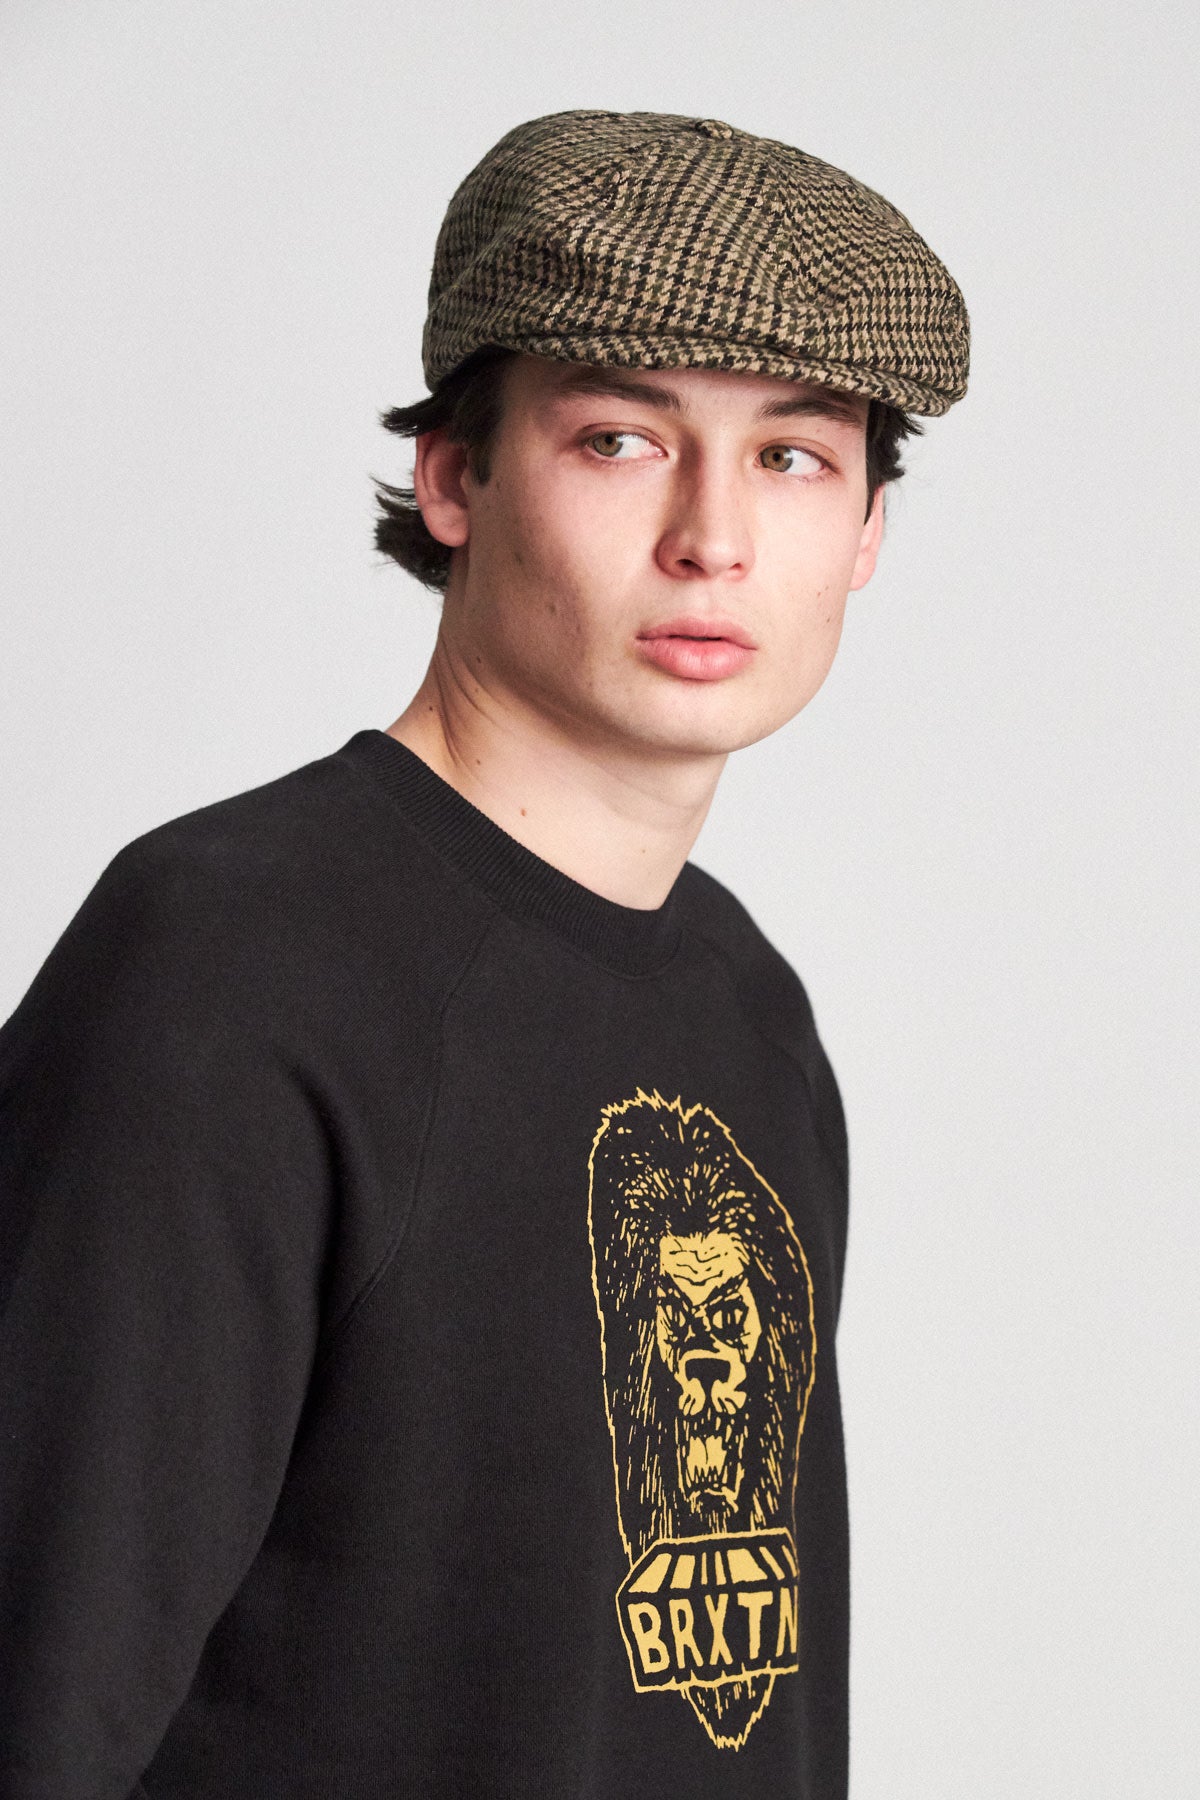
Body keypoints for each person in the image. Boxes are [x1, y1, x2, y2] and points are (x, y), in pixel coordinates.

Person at [0, 109, 968, 1799]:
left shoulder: (747, 1009)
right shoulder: (227, 966)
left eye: (795, 457)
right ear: (454, 475)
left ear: (869, 528)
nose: (713, 537)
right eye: (620, 439)